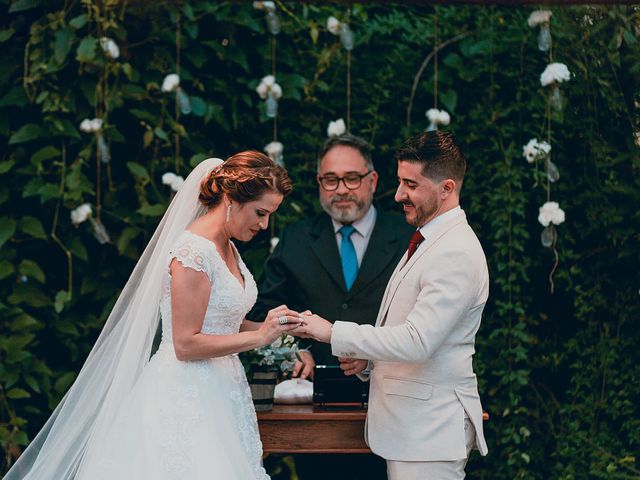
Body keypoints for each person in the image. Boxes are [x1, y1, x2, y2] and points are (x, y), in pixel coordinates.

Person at [5, 151, 303, 480]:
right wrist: (259, 337)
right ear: (231, 199)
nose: (264, 225)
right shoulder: (194, 252)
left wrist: (274, 327)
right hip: (185, 396)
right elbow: (185, 343)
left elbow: (222, 323)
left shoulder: (228, 246)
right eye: (261, 213)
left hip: (223, 391)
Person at [293, 130, 489, 480]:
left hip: (429, 434)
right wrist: (369, 361)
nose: (399, 195)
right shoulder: (427, 239)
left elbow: (417, 341)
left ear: (447, 188)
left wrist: (333, 332)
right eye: (400, 182)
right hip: (412, 432)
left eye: (411, 185)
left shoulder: (455, 251)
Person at [249, 134, 412, 480]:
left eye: (352, 178)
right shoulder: (296, 238)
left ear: (372, 181)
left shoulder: (409, 238)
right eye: (330, 179)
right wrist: (290, 347)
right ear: (319, 183)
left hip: (393, 400)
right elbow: (265, 308)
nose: (342, 189)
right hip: (315, 408)